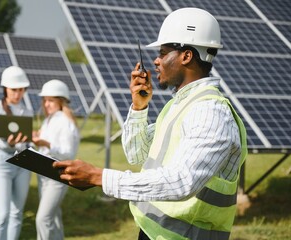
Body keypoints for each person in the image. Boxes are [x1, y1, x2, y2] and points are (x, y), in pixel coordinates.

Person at [52, 7, 247, 240]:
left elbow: (182, 182)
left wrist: (98, 177)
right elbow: (137, 155)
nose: (156, 61)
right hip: (155, 232)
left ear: (186, 56)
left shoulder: (210, 112)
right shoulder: (179, 106)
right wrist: (139, 107)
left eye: (163, 53)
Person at [0, 66, 33, 240]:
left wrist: (26, 142)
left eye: (22, 90)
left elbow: (26, 141)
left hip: (22, 165)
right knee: (3, 214)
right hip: (1, 164)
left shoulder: (26, 111)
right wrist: (10, 143)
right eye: (14, 89)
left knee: (16, 213)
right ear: (5, 88)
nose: (18, 93)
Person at [32, 79, 80, 240]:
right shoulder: (48, 120)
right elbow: (45, 148)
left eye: (51, 100)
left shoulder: (65, 122)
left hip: (58, 176)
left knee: (43, 219)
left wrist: (45, 143)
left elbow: (67, 153)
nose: (46, 104)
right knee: (53, 217)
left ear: (61, 101)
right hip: (44, 174)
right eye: (45, 100)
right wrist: (38, 140)